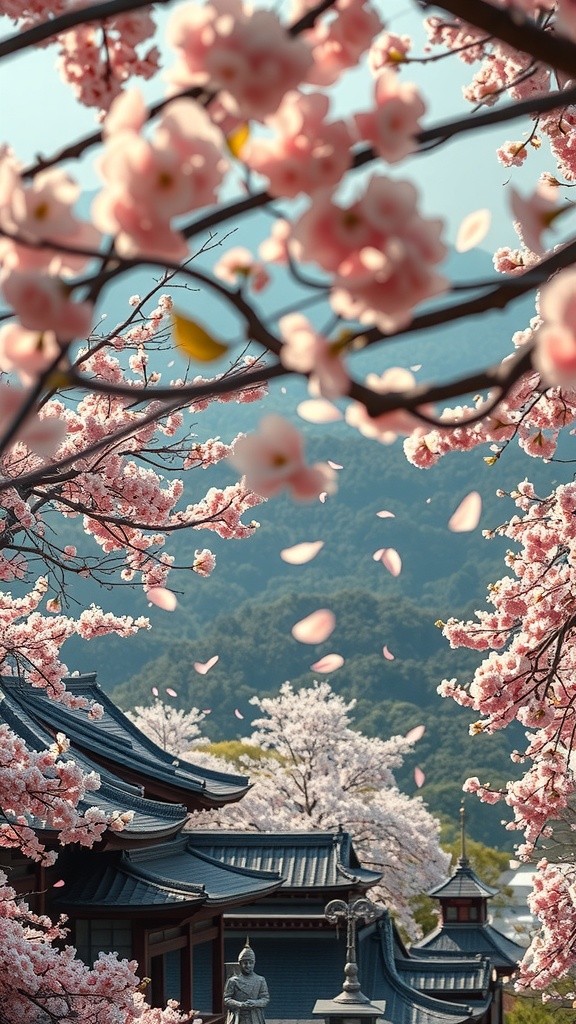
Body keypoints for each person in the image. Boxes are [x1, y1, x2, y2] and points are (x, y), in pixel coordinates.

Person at [224, 941, 270, 1024]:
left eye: (250, 963)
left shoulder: (260, 980)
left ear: (254, 963)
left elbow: (265, 999)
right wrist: (239, 1004)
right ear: (240, 963)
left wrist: (255, 1003)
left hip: (255, 1017)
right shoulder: (233, 980)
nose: (248, 965)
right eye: (245, 963)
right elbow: (226, 999)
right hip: (238, 1017)